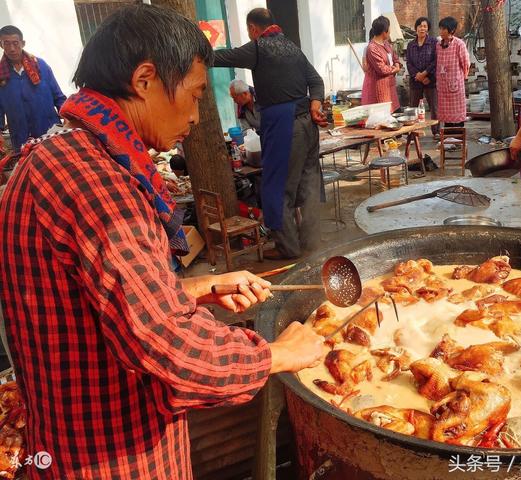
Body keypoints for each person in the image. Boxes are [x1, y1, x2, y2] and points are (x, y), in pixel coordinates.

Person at [0, 5, 324, 479]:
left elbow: (94, 299)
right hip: (116, 455)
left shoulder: (58, 153)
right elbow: (164, 344)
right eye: (193, 96)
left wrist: (195, 288)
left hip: (68, 437)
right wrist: (275, 354)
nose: (195, 116)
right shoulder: (97, 183)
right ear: (146, 80)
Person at [213, 8, 327, 260]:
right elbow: (316, 81)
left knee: (277, 188)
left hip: (284, 126)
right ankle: (311, 242)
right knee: (308, 183)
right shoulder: (292, 47)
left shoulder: (258, 48)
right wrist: (315, 105)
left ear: (253, 29)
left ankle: (288, 248)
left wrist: (193, 54)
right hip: (309, 125)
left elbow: (222, 58)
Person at [0, 25, 66, 153]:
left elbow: (58, 97)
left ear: (23, 43)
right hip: (21, 138)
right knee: (29, 171)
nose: (12, 49)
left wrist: (68, 118)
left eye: (15, 43)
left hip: (50, 132)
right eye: (6, 44)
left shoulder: (40, 66)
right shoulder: (1, 75)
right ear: (1, 45)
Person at [435, 16, 470, 130]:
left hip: (455, 84)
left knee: (457, 114)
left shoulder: (459, 44)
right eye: (440, 28)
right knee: (446, 115)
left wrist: (462, 77)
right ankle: (448, 139)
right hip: (442, 86)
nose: (441, 31)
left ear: (452, 30)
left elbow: (466, 63)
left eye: (443, 29)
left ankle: (458, 138)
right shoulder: (438, 45)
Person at [361, 16, 401, 112]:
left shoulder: (386, 44)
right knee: (381, 117)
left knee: (393, 113)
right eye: (389, 29)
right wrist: (395, 69)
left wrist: (397, 65)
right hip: (379, 89)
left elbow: (395, 57)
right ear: (384, 32)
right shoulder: (372, 48)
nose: (390, 31)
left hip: (390, 87)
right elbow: (381, 69)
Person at [406, 16, 438, 135]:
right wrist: (417, 75)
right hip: (415, 81)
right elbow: (408, 63)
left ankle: (436, 132)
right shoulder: (410, 45)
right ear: (416, 28)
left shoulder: (434, 42)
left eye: (425, 26)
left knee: (434, 108)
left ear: (428, 28)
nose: (422, 28)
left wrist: (425, 75)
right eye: (420, 26)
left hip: (430, 80)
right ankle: (413, 132)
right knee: (413, 107)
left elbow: (435, 61)